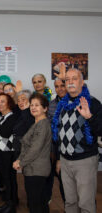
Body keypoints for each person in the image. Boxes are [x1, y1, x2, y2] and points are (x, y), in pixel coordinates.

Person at [51, 69, 102, 213]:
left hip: (85, 160)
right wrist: (60, 158)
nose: (70, 82)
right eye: (67, 79)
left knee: (85, 203)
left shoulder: (93, 103)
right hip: (66, 161)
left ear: (82, 82)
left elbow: (100, 130)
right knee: (70, 202)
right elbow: (60, 133)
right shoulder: (62, 104)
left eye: (74, 78)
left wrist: (89, 117)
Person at [13, 93, 51, 213]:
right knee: (38, 203)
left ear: (45, 108)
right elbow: (28, 147)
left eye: (37, 105)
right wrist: (20, 159)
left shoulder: (43, 125)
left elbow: (35, 148)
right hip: (32, 169)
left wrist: (21, 162)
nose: (33, 107)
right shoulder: (36, 123)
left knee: (36, 205)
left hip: (37, 170)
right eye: (32, 105)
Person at [0, 93, 18, 213]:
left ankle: (11, 205)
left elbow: (5, 133)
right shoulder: (0, 117)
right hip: (0, 152)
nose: (0, 104)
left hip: (8, 153)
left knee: (9, 179)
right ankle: (9, 202)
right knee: (6, 178)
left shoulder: (12, 117)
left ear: (9, 103)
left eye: (3, 101)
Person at [46, 78, 67, 204]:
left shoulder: (73, 102)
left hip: (67, 147)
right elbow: (49, 123)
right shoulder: (52, 104)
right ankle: (46, 201)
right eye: (57, 86)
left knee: (65, 181)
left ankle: (68, 205)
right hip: (53, 147)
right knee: (49, 176)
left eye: (62, 85)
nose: (60, 88)